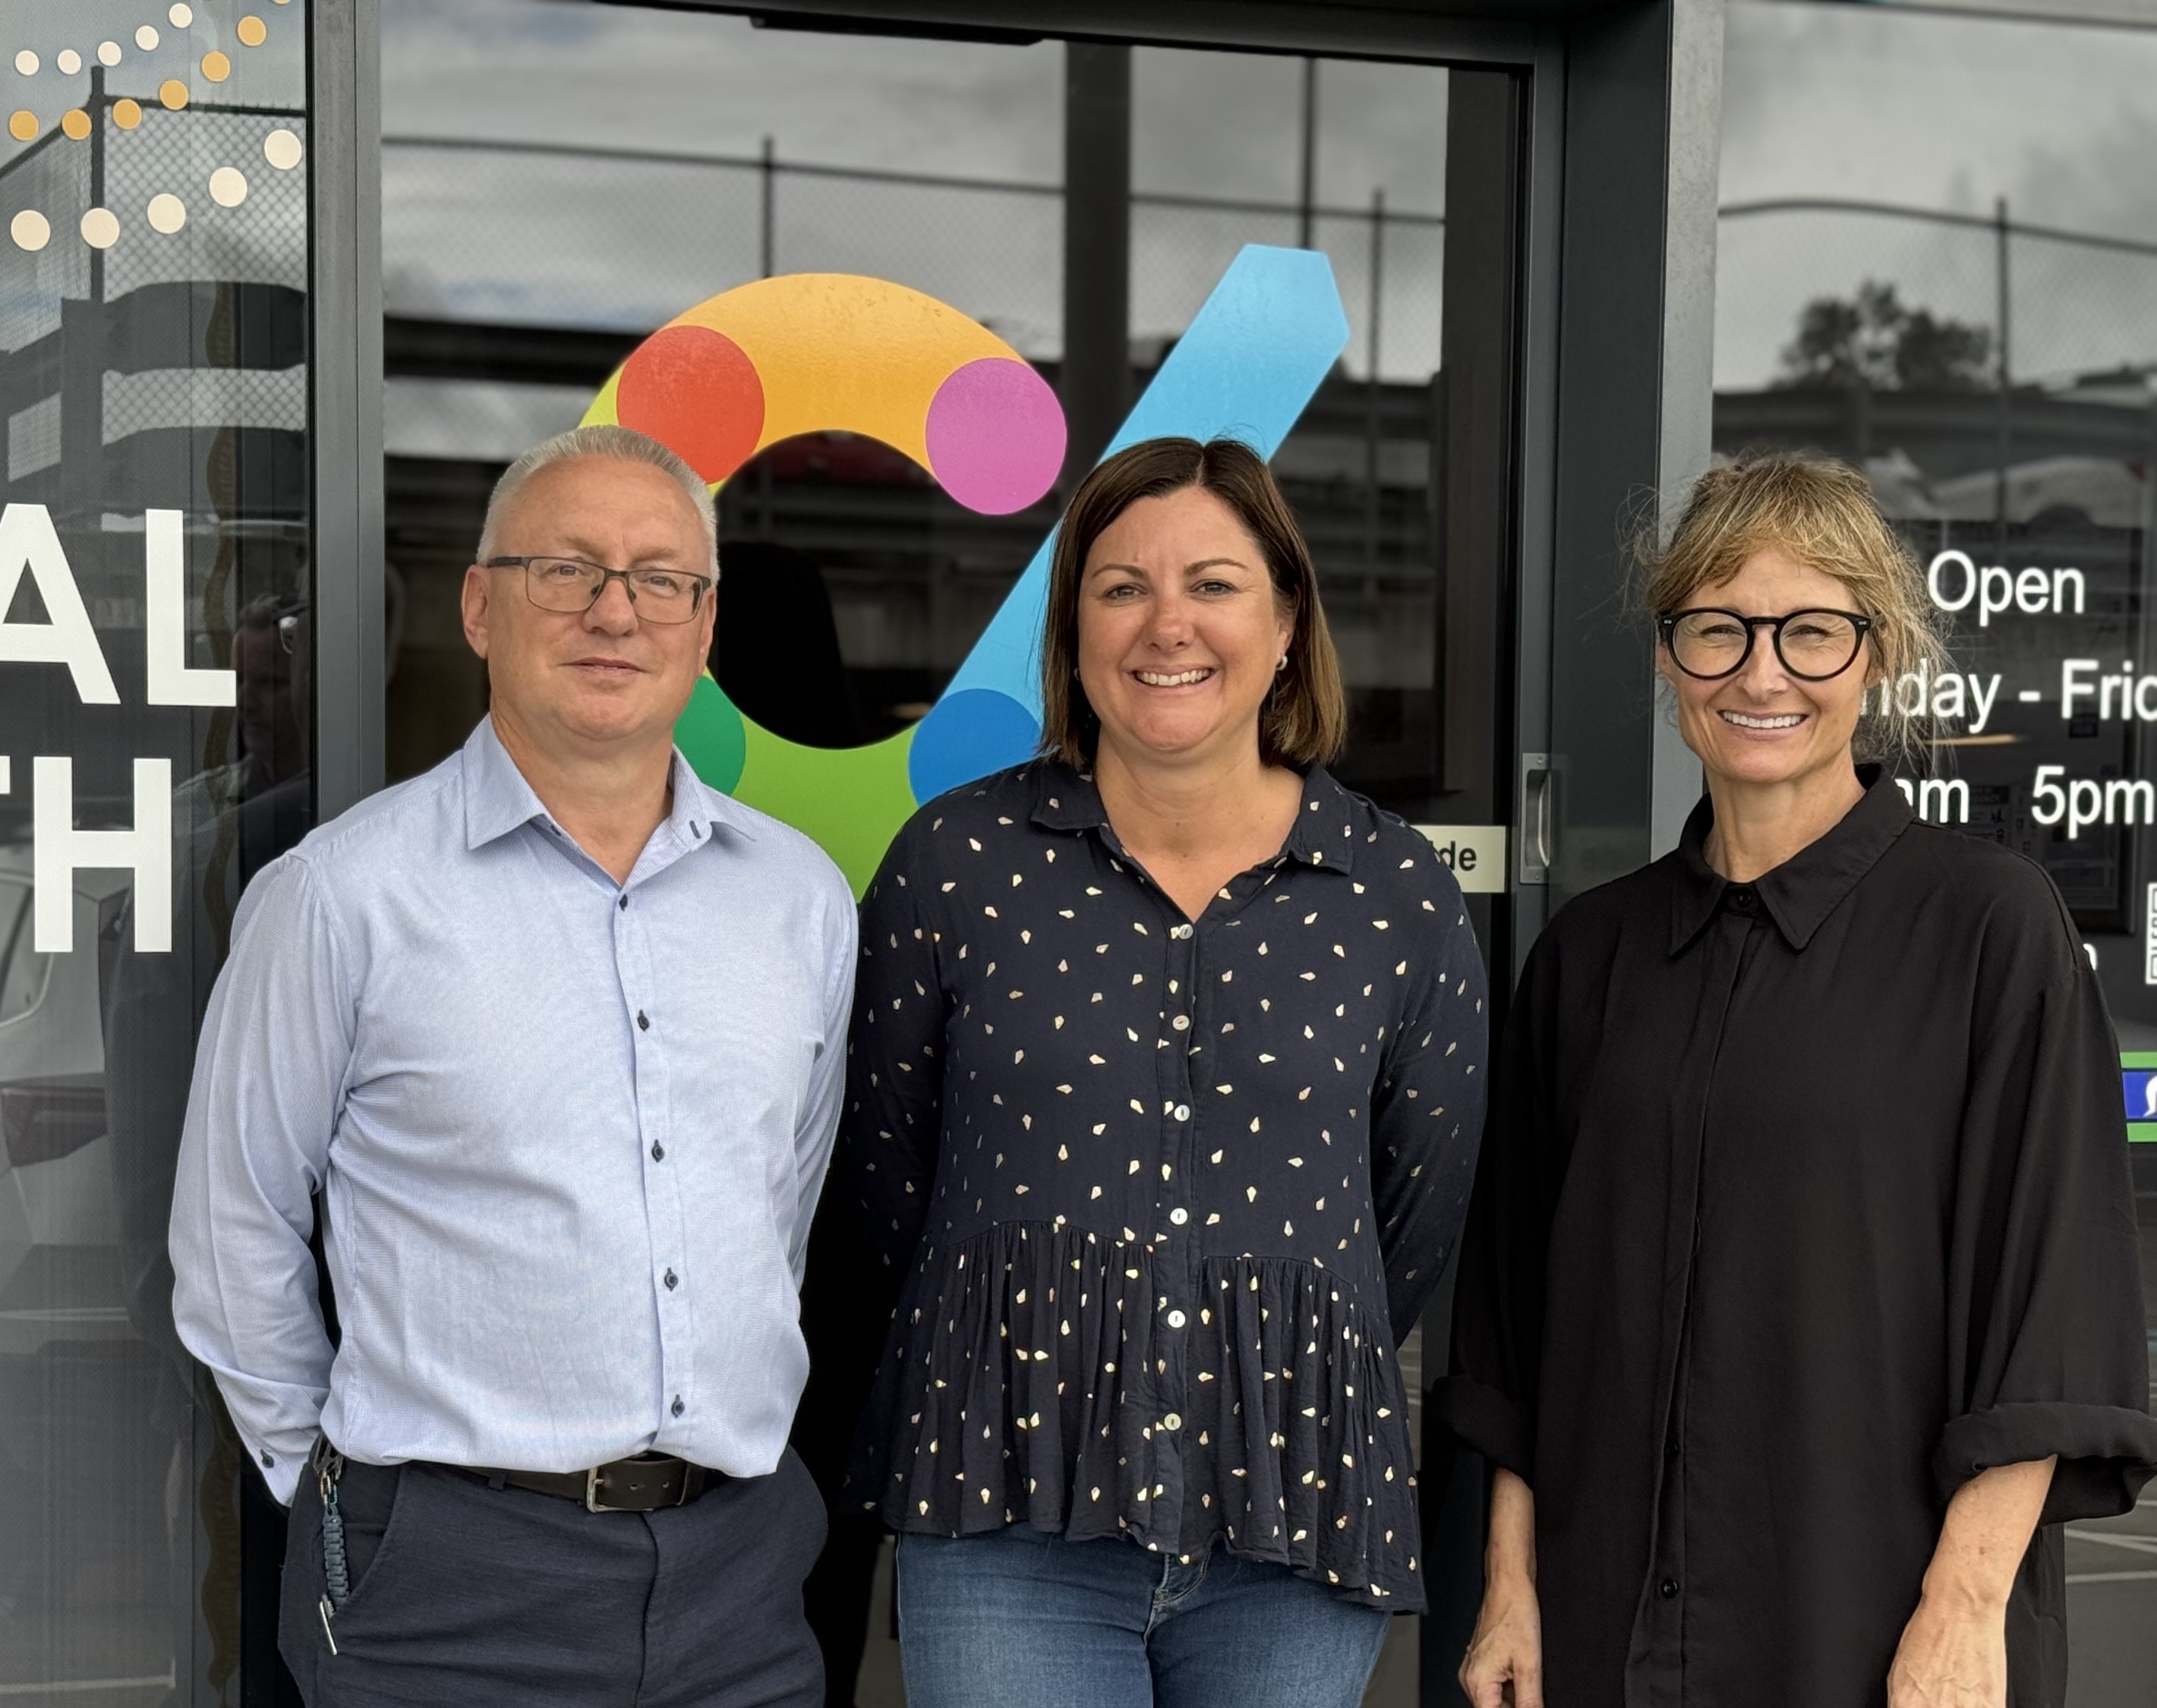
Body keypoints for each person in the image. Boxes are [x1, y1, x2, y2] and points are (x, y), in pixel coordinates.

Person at [1441, 451, 2157, 1708]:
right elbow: (1515, 1325)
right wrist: (1511, 1586)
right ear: (1669, 658)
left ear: (1877, 655)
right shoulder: (1589, 957)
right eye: (1718, 629)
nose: (1761, 674)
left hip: (1874, 1630)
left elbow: (2049, 1306)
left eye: (1811, 631)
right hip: (1606, 1631)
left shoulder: (1989, 928)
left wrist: (1963, 1609)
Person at [169, 423, 856, 1706]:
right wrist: (339, 1494)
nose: (616, 611)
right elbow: (230, 1234)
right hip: (445, 1580)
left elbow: (779, 1213)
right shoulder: (342, 895)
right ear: (480, 606)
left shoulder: (801, 902)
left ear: (706, 627)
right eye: (567, 569)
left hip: (740, 1575)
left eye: (661, 579)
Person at [843, 436, 1487, 1707]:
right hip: (1006, 1502)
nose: (1166, 624)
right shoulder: (955, 864)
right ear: (1073, 629)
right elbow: (882, 1186)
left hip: (1296, 1508)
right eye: (1121, 586)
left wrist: (1268, 1334)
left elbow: (1414, 1210)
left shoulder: (1394, 890)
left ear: (1287, 623)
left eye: (1214, 584)